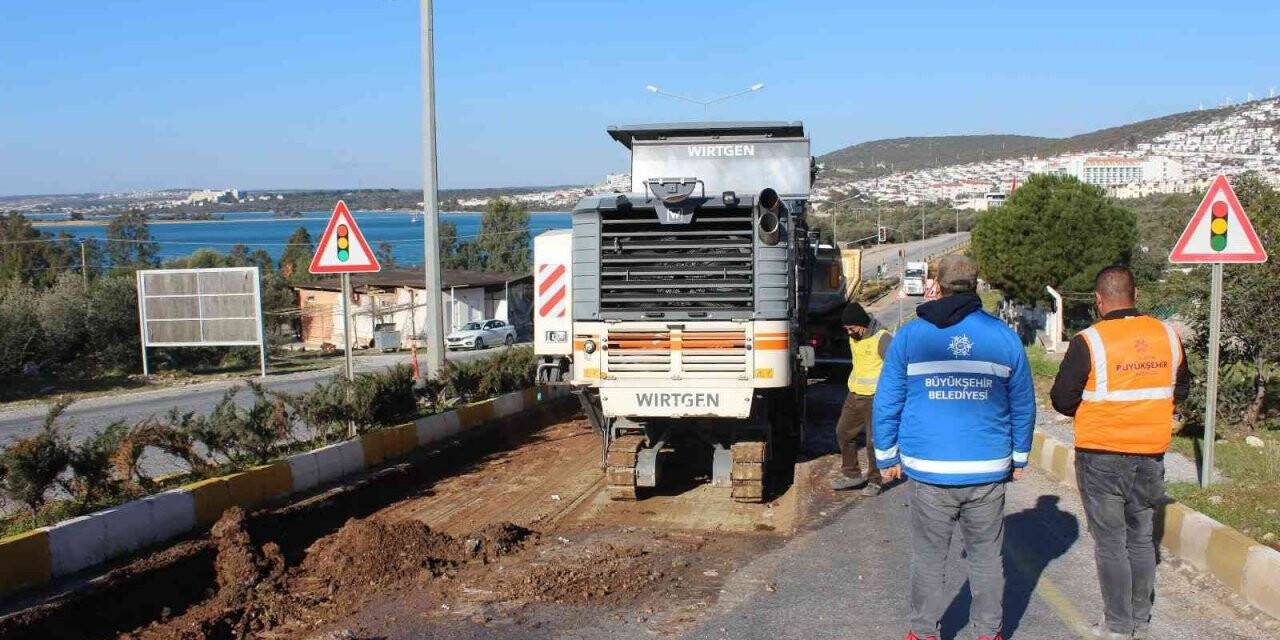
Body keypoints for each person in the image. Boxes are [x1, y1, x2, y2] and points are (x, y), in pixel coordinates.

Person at [872, 255, 1035, 640]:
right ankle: (989, 632)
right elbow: (1023, 402)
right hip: (987, 470)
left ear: (938, 286)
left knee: (928, 558)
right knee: (986, 558)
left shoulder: (912, 336)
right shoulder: (1002, 337)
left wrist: (886, 456)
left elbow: (888, 399)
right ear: (975, 287)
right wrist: (1019, 457)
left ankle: (923, 632)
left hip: (927, 470)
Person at [1050, 265, 1189, 640]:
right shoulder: (1168, 336)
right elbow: (1181, 391)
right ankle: (1140, 617)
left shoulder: (1090, 341)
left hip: (1101, 456)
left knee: (1111, 542)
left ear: (1098, 300)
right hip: (1150, 453)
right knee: (1141, 537)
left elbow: (1062, 399)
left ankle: (1117, 624)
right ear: (1136, 295)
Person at [831, 302, 892, 496]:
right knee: (843, 432)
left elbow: (896, 367)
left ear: (862, 324)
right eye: (846, 329)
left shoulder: (882, 339)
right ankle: (851, 475)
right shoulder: (854, 337)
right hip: (855, 394)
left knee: (872, 441)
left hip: (876, 397)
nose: (849, 332)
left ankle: (876, 480)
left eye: (851, 328)